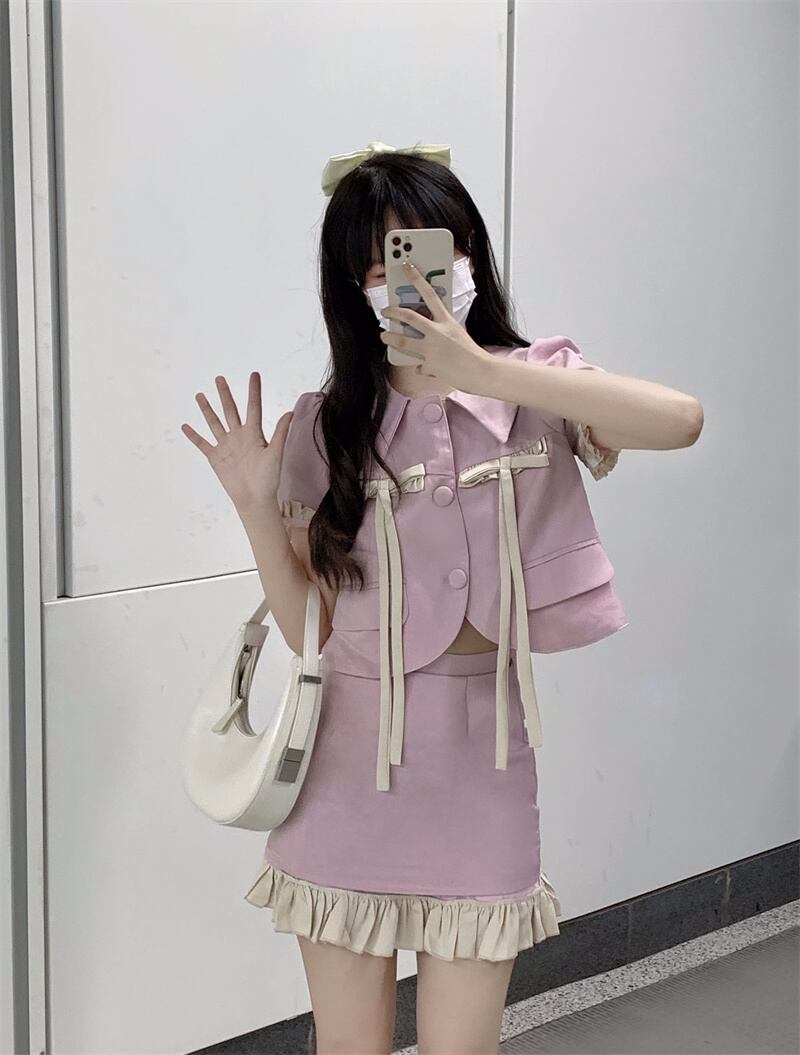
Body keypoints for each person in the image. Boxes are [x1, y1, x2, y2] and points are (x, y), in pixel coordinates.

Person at [181, 142, 704, 1055]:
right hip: (344, 771)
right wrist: (258, 510)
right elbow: (309, 631)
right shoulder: (327, 425)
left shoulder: (538, 385)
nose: (408, 277)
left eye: (428, 247)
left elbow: (682, 421)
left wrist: (487, 370)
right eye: (378, 261)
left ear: (467, 252)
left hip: (483, 768)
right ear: (353, 284)